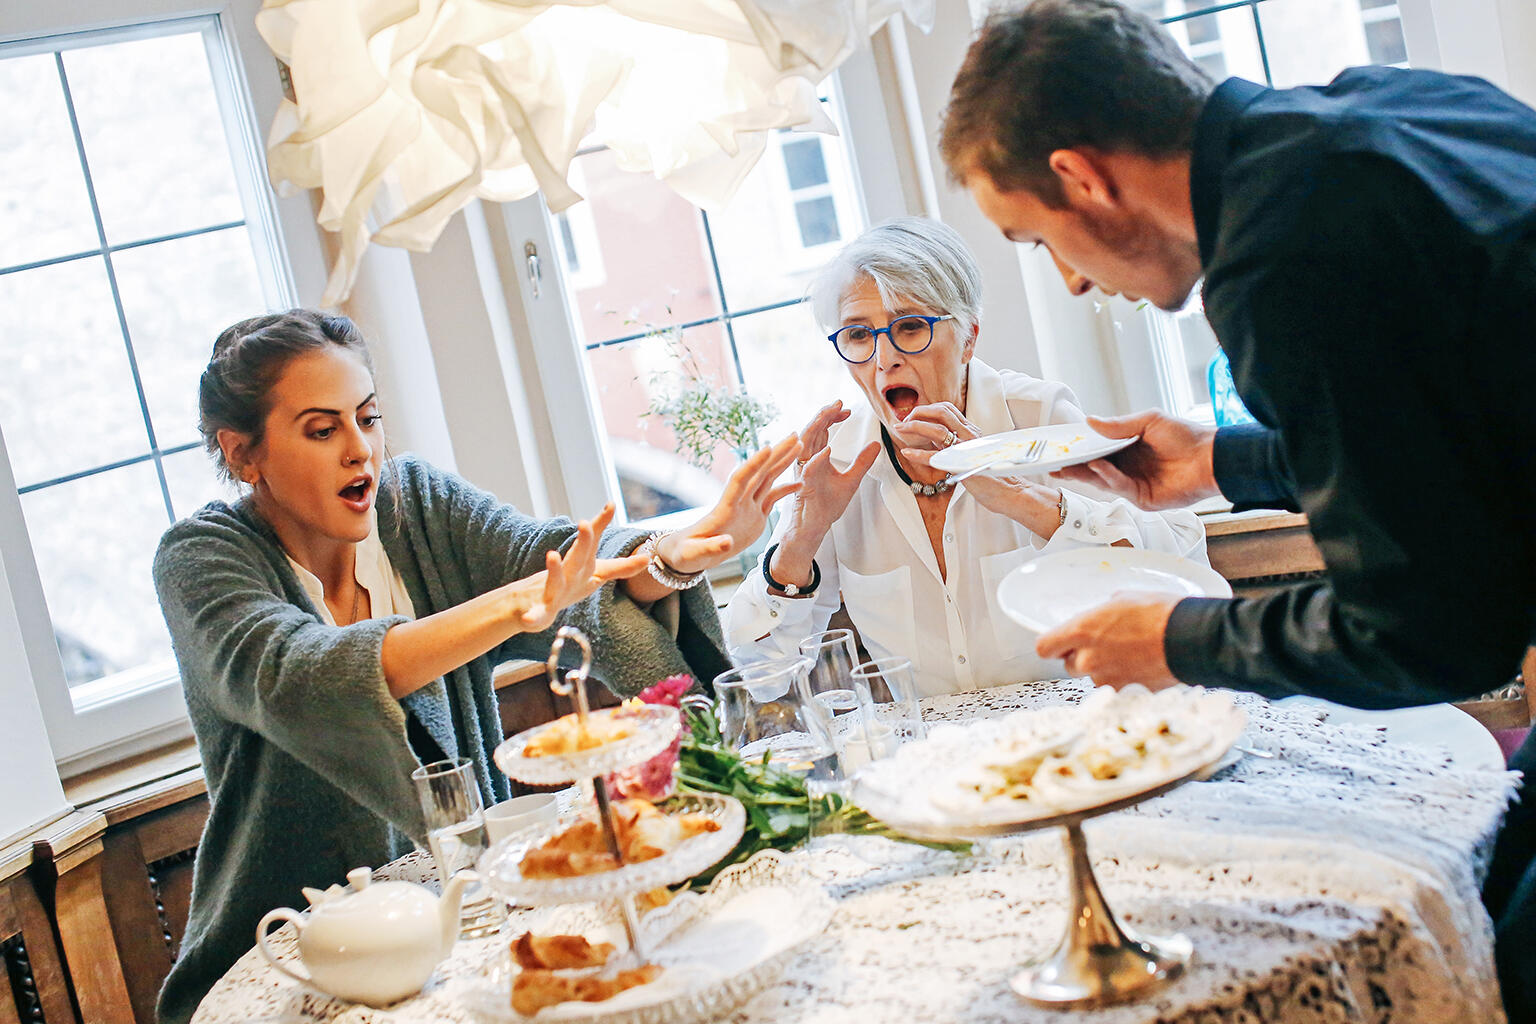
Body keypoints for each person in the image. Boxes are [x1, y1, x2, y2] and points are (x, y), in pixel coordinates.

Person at [936, 0, 1536, 1016]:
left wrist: (1179, 641)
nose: (1073, 284)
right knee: (1478, 907)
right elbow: (1454, 434)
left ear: (1082, 177)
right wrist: (1222, 461)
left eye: (1037, 240)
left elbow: (1433, 632)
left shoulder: (1278, 257)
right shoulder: (1393, 110)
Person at [153, 310, 800, 1023]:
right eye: (322, 428)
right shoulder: (200, 560)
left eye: (367, 419)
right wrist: (518, 604)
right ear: (243, 454)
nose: (359, 450)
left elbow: (557, 568)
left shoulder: (417, 505)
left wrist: (671, 556)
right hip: (293, 954)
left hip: (466, 920)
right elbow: (300, 677)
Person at [724, 217, 1205, 695]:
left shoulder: (1036, 415)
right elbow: (764, 677)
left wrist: (1024, 501)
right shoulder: (838, 462)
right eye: (857, 335)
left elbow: (1185, 568)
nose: (883, 357)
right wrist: (801, 536)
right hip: (943, 756)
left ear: (970, 337)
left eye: (910, 327)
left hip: (1075, 739)